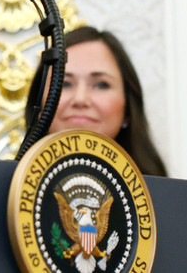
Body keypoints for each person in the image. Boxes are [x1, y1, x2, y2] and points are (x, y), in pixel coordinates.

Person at [24, 25, 167, 176]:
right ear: (39, 106)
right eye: (64, 83)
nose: (80, 99)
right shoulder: (10, 184)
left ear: (127, 109)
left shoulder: (162, 190)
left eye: (101, 85)